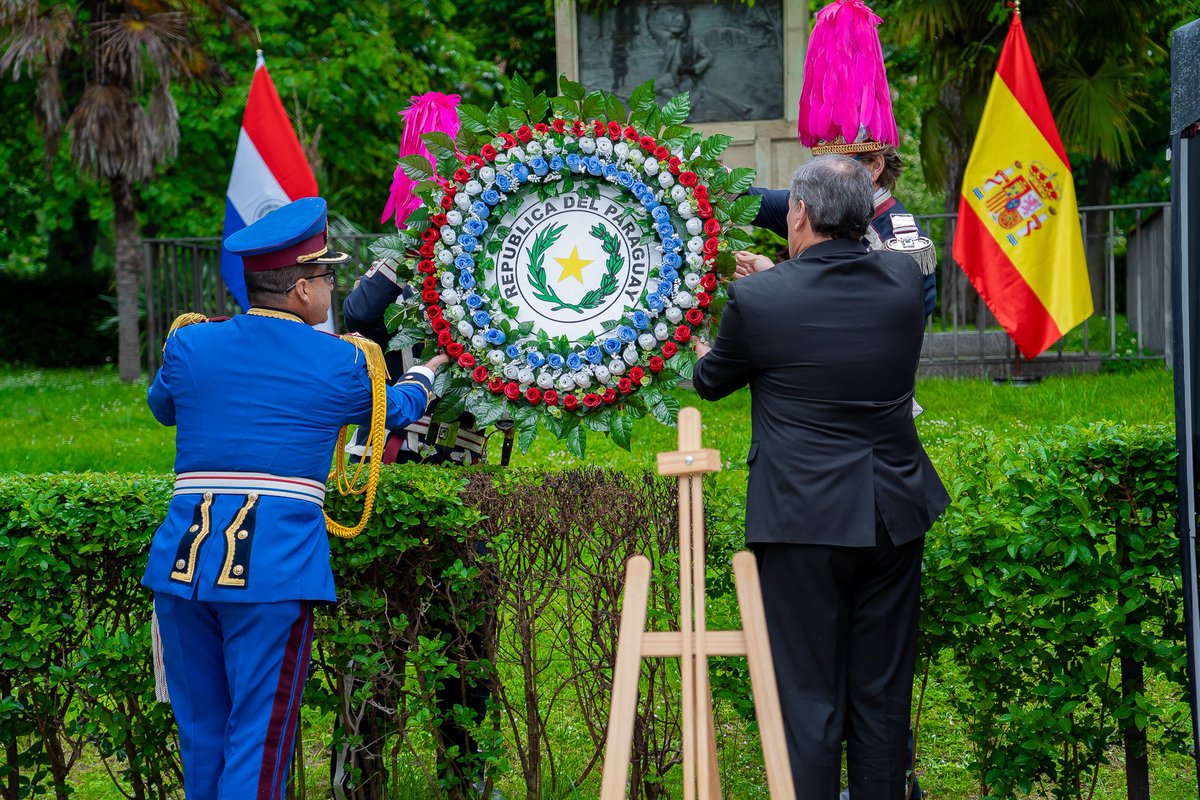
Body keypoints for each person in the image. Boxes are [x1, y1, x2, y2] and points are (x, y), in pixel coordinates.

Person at [143, 197, 449, 800]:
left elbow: (163, 408)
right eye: (328, 276)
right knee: (258, 740)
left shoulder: (189, 343)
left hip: (182, 568)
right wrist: (429, 373)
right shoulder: (339, 361)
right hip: (272, 570)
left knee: (201, 735)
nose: (333, 288)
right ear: (303, 289)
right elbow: (396, 410)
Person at [691, 155, 950, 800]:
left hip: (803, 519)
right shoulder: (899, 280)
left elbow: (711, 379)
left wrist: (706, 327)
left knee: (806, 697)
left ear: (799, 214)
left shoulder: (757, 300)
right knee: (882, 693)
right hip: (893, 510)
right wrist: (782, 278)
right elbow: (829, 301)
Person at [335, 257, 497, 798]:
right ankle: (357, 780)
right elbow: (356, 313)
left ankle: (465, 777)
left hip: (459, 486)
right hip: (384, 485)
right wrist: (415, 250)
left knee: (465, 646)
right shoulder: (402, 285)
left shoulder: (501, 296)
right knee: (372, 644)